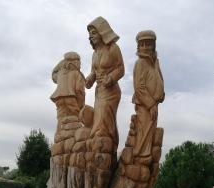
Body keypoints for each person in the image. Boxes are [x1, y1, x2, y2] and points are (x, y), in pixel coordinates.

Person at [85, 16, 125, 150]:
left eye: (94, 33)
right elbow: (94, 72)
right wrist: (89, 79)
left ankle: (103, 141)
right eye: (89, 34)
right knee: (101, 117)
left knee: (104, 115)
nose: (90, 36)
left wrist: (111, 78)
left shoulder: (113, 48)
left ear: (102, 32)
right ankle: (107, 142)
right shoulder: (94, 54)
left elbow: (121, 68)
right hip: (100, 91)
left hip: (112, 91)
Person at [132, 30, 164, 160]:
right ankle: (140, 158)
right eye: (142, 44)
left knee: (150, 134)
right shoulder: (141, 63)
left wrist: (161, 94)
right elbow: (139, 88)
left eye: (148, 44)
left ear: (154, 45)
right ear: (138, 46)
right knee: (143, 135)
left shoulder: (155, 62)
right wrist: (151, 105)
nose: (145, 47)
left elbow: (159, 79)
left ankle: (145, 157)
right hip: (145, 105)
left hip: (154, 104)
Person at [51, 51, 85, 119]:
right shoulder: (77, 74)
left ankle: (61, 129)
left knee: (61, 120)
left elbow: (54, 75)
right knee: (77, 118)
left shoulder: (59, 74)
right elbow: (79, 90)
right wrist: (81, 106)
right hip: (71, 98)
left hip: (58, 99)